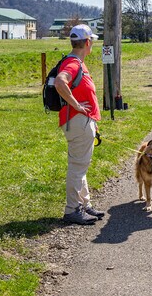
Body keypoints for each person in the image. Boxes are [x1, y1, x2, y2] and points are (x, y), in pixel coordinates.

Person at [54, 24, 104, 225]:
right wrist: (76, 105)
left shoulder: (76, 63)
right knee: (77, 167)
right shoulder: (73, 64)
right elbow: (60, 82)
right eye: (92, 41)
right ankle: (72, 210)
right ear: (87, 42)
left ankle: (84, 204)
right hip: (78, 121)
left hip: (82, 122)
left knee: (81, 166)